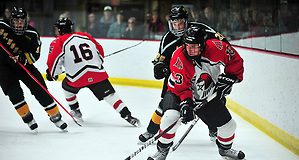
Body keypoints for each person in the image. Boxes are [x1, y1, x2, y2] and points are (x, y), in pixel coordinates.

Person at [148, 26, 245, 160]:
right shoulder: (179, 58)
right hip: (177, 93)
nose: (191, 49)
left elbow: (235, 60)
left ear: (203, 44)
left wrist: (231, 77)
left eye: (195, 46)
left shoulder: (217, 48)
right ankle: (162, 151)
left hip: (206, 97)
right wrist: (186, 104)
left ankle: (225, 150)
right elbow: (181, 88)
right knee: (170, 118)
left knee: (229, 126)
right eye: (188, 46)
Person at [139, 5, 229, 144]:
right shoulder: (168, 39)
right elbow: (160, 61)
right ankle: (151, 130)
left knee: (212, 102)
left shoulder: (200, 29)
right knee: (164, 104)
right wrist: (160, 68)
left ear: (186, 21)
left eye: (181, 23)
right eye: (175, 23)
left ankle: (214, 128)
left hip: (202, 75)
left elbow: (223, 44)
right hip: (178, 76)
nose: (178, 27)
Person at [46, 18, 140, 127]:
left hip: (77, 78)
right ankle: (127, 115)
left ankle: (75, 110)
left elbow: (53, 60)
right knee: (110, 95)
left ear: (59, 29)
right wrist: (97, 63)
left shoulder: (58, 41)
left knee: (66, 86)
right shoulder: (85, 35)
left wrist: (53, 74)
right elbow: (100, 50)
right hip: (96, 73)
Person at [0, 6, 67, 132]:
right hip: (4, 68)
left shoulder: (32, 34)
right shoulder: (2, 26)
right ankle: (28, 118)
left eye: (22, 21)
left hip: (24, 66)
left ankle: (56, 116)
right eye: (16, 21)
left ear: (26, 20)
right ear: (11, 20)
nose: (19, 24)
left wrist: (22, 59)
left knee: (40, 89)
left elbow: (35, 55)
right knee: (15, 95)